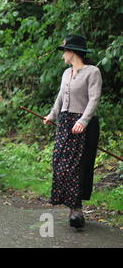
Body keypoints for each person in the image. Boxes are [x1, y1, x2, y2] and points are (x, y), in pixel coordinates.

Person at [44, 34, 102, 229]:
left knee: (78, 166)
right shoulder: (66, 73)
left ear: (72, 52)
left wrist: (83, 121)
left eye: (64, 52)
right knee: (60, 162)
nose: (63, 56)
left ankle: (76, 209)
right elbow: (60, 97)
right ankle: (70, 204)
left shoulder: (92, 72)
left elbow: (94, 99)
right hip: (65, 122)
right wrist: (52, 116)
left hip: (83, 125)